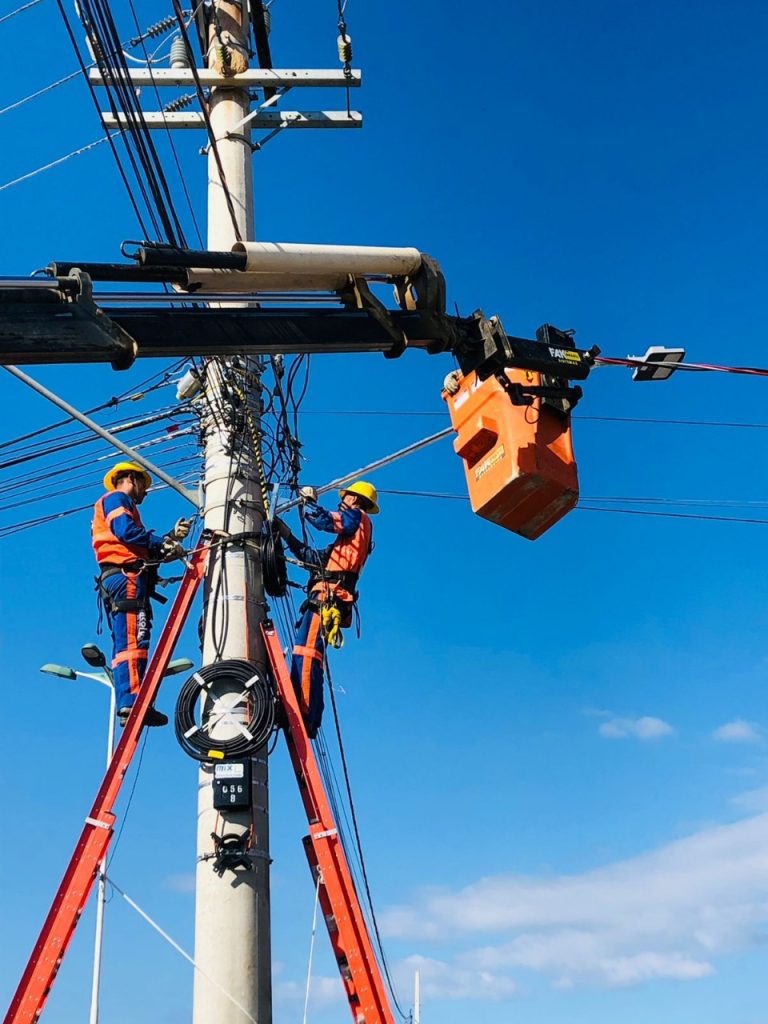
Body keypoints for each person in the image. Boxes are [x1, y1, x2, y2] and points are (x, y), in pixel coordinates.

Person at [275, 480, 379, 738]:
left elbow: (328, 522)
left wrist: (310, 504)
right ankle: (306, 710)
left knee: (307, 651)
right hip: (329, 596)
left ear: (354, 499)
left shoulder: (356, 517)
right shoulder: (347, 544)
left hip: (328, 597)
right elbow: (314, 559)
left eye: (345, 499)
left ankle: (304, 712)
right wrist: (287, 535)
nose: (342, 503)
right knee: (309, 654)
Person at [92, 461, 191, 727]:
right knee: (135, 641)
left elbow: (138, 547)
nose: (146, 492)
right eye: (144, 486)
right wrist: (163, 542)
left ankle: (131, 701)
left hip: (119, 578)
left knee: (126, 643)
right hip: (127, 579)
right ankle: (134, 702)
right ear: (130, 479)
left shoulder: (119, 504)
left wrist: (171, 538)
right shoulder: (117, 499)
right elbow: (126, 532)